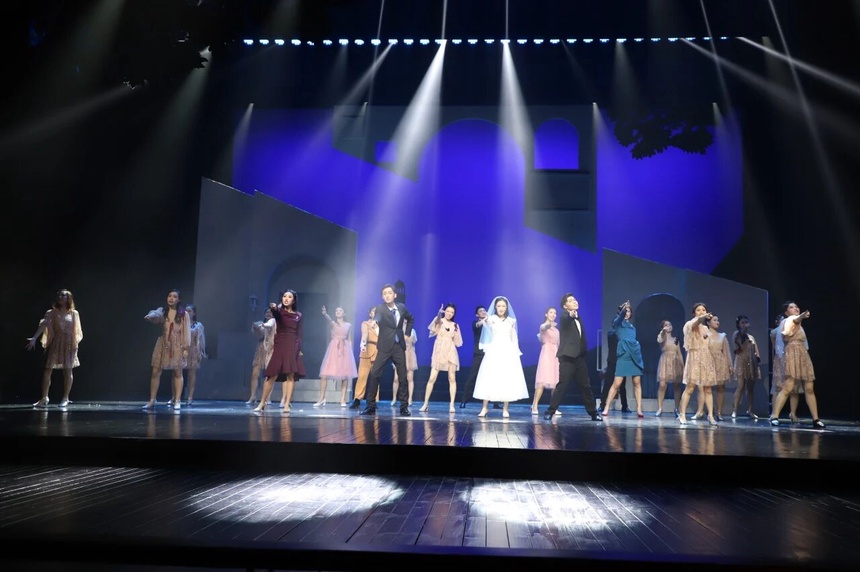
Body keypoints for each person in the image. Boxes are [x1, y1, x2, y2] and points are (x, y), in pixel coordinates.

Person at [544, 293, 602, 421]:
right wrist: (570, 314)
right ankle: (550, 411)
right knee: (562, 385)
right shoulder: (565, 316)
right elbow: (566, 318)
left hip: (579, 357)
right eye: (570, 301)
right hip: (568, 357)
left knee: (586, 385)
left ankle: (593, 413)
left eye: (574, 299)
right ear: (565, 306)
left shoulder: (578, 318)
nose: (574, 301)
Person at [361, 284, 414, 416]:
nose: (387, 295)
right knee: (375, 374)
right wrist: (375, 321)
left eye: (389, 293)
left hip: (398, 346)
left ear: (395, 295)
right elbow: (378, 317)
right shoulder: (380, 309)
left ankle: (404, 406)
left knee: (403, 377)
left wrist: (407, 333)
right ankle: (370, 405)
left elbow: (410, 318)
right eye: (384, 294)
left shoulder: (401, 307)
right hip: (384, 346)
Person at [473, 296, 529, 418]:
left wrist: (516, 352)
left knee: (506, 378)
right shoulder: (491, 318)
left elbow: (514, 338)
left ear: (507, 307)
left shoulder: (511, 321)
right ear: (495, 307)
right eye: (499, 306)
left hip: (508, 351)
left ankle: (505, 409)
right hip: (494, 350)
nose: (501, 308)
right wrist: (485, 319)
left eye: (503, 306)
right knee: (489, 377)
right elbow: (483, 325)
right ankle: (484, 408)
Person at [25, 289, 83, 408]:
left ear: (68, 298)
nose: (60, 297)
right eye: (59, 295)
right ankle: (44, 398)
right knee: (48, 369)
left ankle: (65, 398)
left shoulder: (74, 313)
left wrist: (75, 344)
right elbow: (44, 324)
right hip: (56, 342)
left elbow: (77, 330)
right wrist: (34, 338)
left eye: (63, 295)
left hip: (69, 344)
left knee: (68, 370)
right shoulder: (52, 312)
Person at [770, 302, 824, 428]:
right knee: (788, 387)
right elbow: (796, 319)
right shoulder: (788, 320)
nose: (795, 308)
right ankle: (775, 416)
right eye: (791, 307)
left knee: (809, 388)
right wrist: (803, 315)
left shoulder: (798, 324)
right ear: (786, 312)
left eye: (796, 306)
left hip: (802, 354)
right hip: (792, 354)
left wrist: (801, 316)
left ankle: (816, 419)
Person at [253, 289, 305, 412]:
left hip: (292, 346)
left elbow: (299, 334)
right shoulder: (280, 312)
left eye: (289, 297)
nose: (286, 298)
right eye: (284, 296)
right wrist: (274, 308)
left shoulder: (298, 315)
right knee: (272, 374)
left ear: (294, 300)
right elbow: (276, 313)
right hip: (280, 345)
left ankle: (287, 404)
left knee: (290, 375)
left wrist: (298, 349)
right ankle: (262, 403)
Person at [143, 289, 191, 410]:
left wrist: (186, 347)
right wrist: (150, 317)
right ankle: (152, 400)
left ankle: (177, 400)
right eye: (169, 296)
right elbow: (155, 315)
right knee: (155, 372)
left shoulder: (183, 314)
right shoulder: (163, 311)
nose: (171, 298)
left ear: (178, 299)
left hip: (177, 345)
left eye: (174, 296)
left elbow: (186, 331)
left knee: (178, 372)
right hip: (163, 344)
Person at [601, 301, 644, 417]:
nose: (627, 313)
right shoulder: (617, 323)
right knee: (617, 383)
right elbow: (619, 318)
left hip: (634, 355)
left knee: (637, 382)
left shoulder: (632, 328)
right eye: (625, 311)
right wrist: (624, 308)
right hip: (624, 355)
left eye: (629, 311)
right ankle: (606, 407)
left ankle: (639, 409)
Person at [677, 303, 718, 425]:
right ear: (694, 313)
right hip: (694, 358)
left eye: (703, 310)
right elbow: (697, 322)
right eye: (698, 310)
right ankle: (682, 414)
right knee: (690, 388)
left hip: (705, 358)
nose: (701, 311)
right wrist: (703, 316)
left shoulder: (705, 328)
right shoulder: (689, 324)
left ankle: (710, 415)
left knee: (708, 389)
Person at [419, 303, 463, 413]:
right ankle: (425, 404)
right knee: (432, 378)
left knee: (452, 378)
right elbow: (434, 327)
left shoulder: (455, 325)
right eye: (448, 311)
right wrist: (439, 314)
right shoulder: (439, 320)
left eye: (452, 312)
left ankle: (452, 405)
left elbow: (457, 342)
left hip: (450, 352)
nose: (449, 313)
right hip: (439, 351)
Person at [317, 306, 358, 407]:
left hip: (345, 349)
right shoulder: (333, 323)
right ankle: (322, 398)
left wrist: (350, 353)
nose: (338, 312)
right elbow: (329, 319)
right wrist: (325, 314)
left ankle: (342, 399)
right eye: (336, 310)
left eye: (340, 310)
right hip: (334, 348)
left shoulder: (348, 325)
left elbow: (349, 339)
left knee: (345, 375)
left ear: (344, 313)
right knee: (324, 374)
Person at [459, 305, 490, 408]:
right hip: (479, 354)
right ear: (477, 315)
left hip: (489, 353)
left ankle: (495, 402)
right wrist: (486, 319)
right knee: (472, 377)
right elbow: (478, 325)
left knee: (492, 377)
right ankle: (464, 400)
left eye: (484, 310)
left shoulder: (490, 324)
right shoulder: (476, 323)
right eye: (481, 311)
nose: (483, 312)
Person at [348, 307, 380, 409]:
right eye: (373, 311)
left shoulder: (381, 325)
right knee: (362, 376)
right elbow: (365, 334)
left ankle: (373, 401)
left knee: (375, 378)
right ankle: (357, 399)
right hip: (366, 351)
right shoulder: (365, 323)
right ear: (370, 314)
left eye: (376, 311)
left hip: (378, 352)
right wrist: (363, 344)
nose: (375, 313)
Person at [731, 315, 761, 419]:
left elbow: (756, 351)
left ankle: (750, 410)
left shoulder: (751, 337)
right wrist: (743, 332)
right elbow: (737, 348)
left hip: (751, 362)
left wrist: (757, 363)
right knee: (740, 386)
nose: (744, 324)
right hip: (741, 361)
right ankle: (735, 410)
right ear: (739, 324)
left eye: (746, 322)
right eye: (742, 323)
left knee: (750, 388)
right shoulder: (737, 334)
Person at [532, 306, 559, 415]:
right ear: (546, 314)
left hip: (555, 355)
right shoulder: (543, 326)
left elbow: (558, 343)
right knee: (542, 381)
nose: (553, 314)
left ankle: (554, 407)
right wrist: (549, 324)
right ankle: (534, 405)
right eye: (551, 312)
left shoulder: (557, 330)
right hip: (546, 353)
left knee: (556, 383)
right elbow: (544, 327)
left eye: (555, 313)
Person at [246, 307, 276, 405]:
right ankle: (252, 396)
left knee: (270, 374)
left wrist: (261, 327)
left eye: (270, 312)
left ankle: (268, 398)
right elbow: (258, 334)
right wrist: (256, 328)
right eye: (267, 312)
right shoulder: (260, 323)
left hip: (270, 348)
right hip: (261, 348)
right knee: (255, 373)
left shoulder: (274, 323)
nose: (268, 314)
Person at [655, 320, 684, 417]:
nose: (668, 326)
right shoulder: (662, 336)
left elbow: (679, 353)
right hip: (665, 361)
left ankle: (676, 408)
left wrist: (683, 366)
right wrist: (663, 331)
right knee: (662, 385)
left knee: (677, 385)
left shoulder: (675, 339)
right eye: (666, 325)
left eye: (670, 324)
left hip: (675, 362)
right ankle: (660, 408)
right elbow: (660, 340)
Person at [181, 304, 206, 406]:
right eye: (186, 311)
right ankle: (175, 397)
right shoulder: (180, 323)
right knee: (177, 373)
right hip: (182, 349)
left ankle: (190, 397)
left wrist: (202, 352)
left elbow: (201, 340)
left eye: (190, 311)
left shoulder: (198, 325)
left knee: (192, 374)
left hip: (193, 351)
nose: (187, 313)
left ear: (194, 313)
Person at [598, 330, 629, 413]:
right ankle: (602, 405)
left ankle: (625, 406)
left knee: (622, 386)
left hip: (622, 362)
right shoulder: (612, 334)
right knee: (607, 384)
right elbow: (612, 336)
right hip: (612, 362)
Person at [392, 325, 418, 406]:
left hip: (410, 355)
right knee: (396, 378)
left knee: (410, 378)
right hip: (400, 354)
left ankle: (410, 398)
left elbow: (414, 343)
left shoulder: (412, 331)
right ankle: (394, 398)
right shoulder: (398, 330)